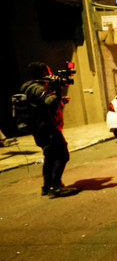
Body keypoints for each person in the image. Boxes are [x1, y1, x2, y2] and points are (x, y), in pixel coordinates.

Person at [21, 62, 78, 198]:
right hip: (46, 129)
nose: (51, 74)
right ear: (44, 73)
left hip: (42, 128)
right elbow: (50, 102)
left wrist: (61, 100)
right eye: (49, 71)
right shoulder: (37, 88)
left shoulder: (33, 88)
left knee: (50, 156)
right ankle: (55, 186)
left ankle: (47, 186)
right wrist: (58, 89)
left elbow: (44, 106)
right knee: (62, 154)